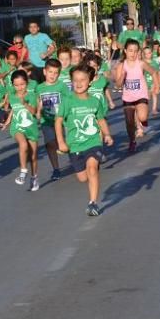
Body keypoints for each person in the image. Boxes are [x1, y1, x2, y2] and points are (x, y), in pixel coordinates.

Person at [55, 66, 113, 216]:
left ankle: (92, 203)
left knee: (92, 168)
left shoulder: (94, 101)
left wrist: (107, 134)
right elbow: (58, 121)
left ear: (90, 82)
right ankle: (92, 166)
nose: (79, 83)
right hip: (75, 145)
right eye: (76, 80)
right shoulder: (68, 101)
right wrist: (61, 141)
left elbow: (100, 119)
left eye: (83, 80)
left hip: (93, 141)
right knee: (82, 178)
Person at [113, 39, 158, 152]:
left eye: (135, 51)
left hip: (141, 95)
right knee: (129, 123)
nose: (133, 54)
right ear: (125, 51)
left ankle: (144, 122)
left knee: (142, 117)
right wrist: (122, 77)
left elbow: (153, 72)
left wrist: (156, 85)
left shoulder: (141, 63)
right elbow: (118, 85)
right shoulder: (121, 66)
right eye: (130, 51)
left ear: (139, 52)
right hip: (128, 97)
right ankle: (132, 141)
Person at [7, 70, 41, 192]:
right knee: (23, 144)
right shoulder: (11, 96)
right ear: (12, 85)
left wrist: (25, 103)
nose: (19, 87)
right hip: (17, 127)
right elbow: (13, 110)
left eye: (22, 84)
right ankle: (23, 172)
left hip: (31, 128)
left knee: (33, 156)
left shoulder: (31, 95)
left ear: (27, 83)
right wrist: (8, 120)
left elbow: (33, 111)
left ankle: (34, 177)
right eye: (16, 85)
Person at [36, 58, 68, 180]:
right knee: (50, 144)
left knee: (67, 143)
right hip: (47, 121)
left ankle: (77, 159)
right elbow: (38, 101)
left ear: (59, 74)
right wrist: (38, 112)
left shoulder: (62, 86)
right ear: (45, 72)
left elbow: (67, 100)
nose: (53, 75)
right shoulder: (39, 88)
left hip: (61, 120)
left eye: (56, 73)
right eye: (50, 72)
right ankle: (56, 169)